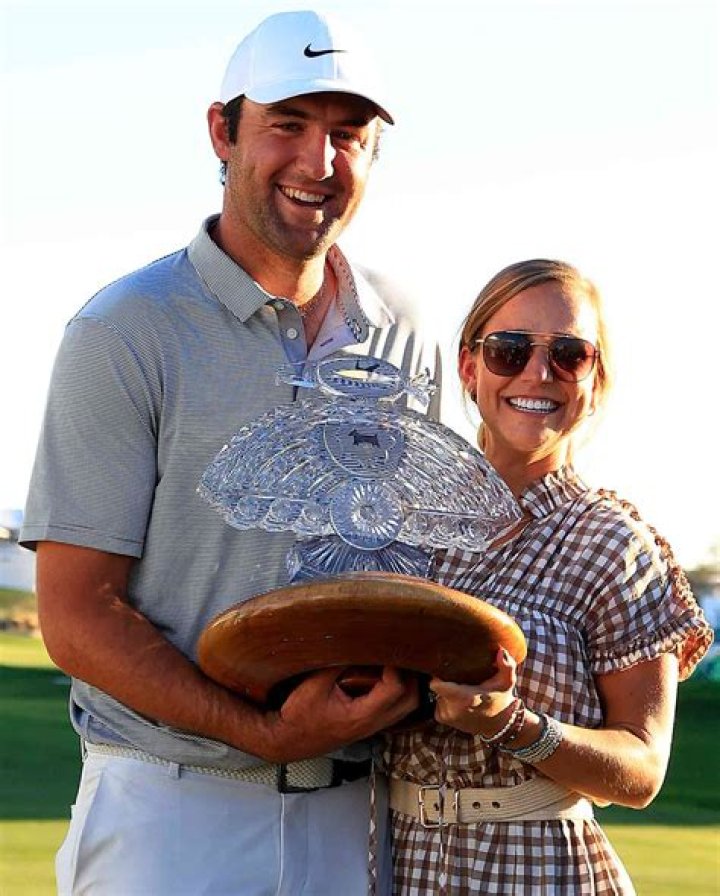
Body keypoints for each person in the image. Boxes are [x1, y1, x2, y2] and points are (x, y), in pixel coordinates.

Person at [20, 10, 440, 895]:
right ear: (222, 130)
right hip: (171, 813)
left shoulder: (406, 330)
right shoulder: (124, 330)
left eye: (347, 135)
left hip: (358, 820)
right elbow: (76, 614)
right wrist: (263, 734)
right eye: (287, 125)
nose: (317, 163)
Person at [382, 259, 712, 895]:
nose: (538, 373)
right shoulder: (402, 524)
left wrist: (511, 724)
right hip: (393, 860)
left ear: (596, 380)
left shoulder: (615, 544)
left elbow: (641, 771)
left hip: (539, 870)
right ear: (470, 368)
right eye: (509, 350)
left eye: (569, 353)